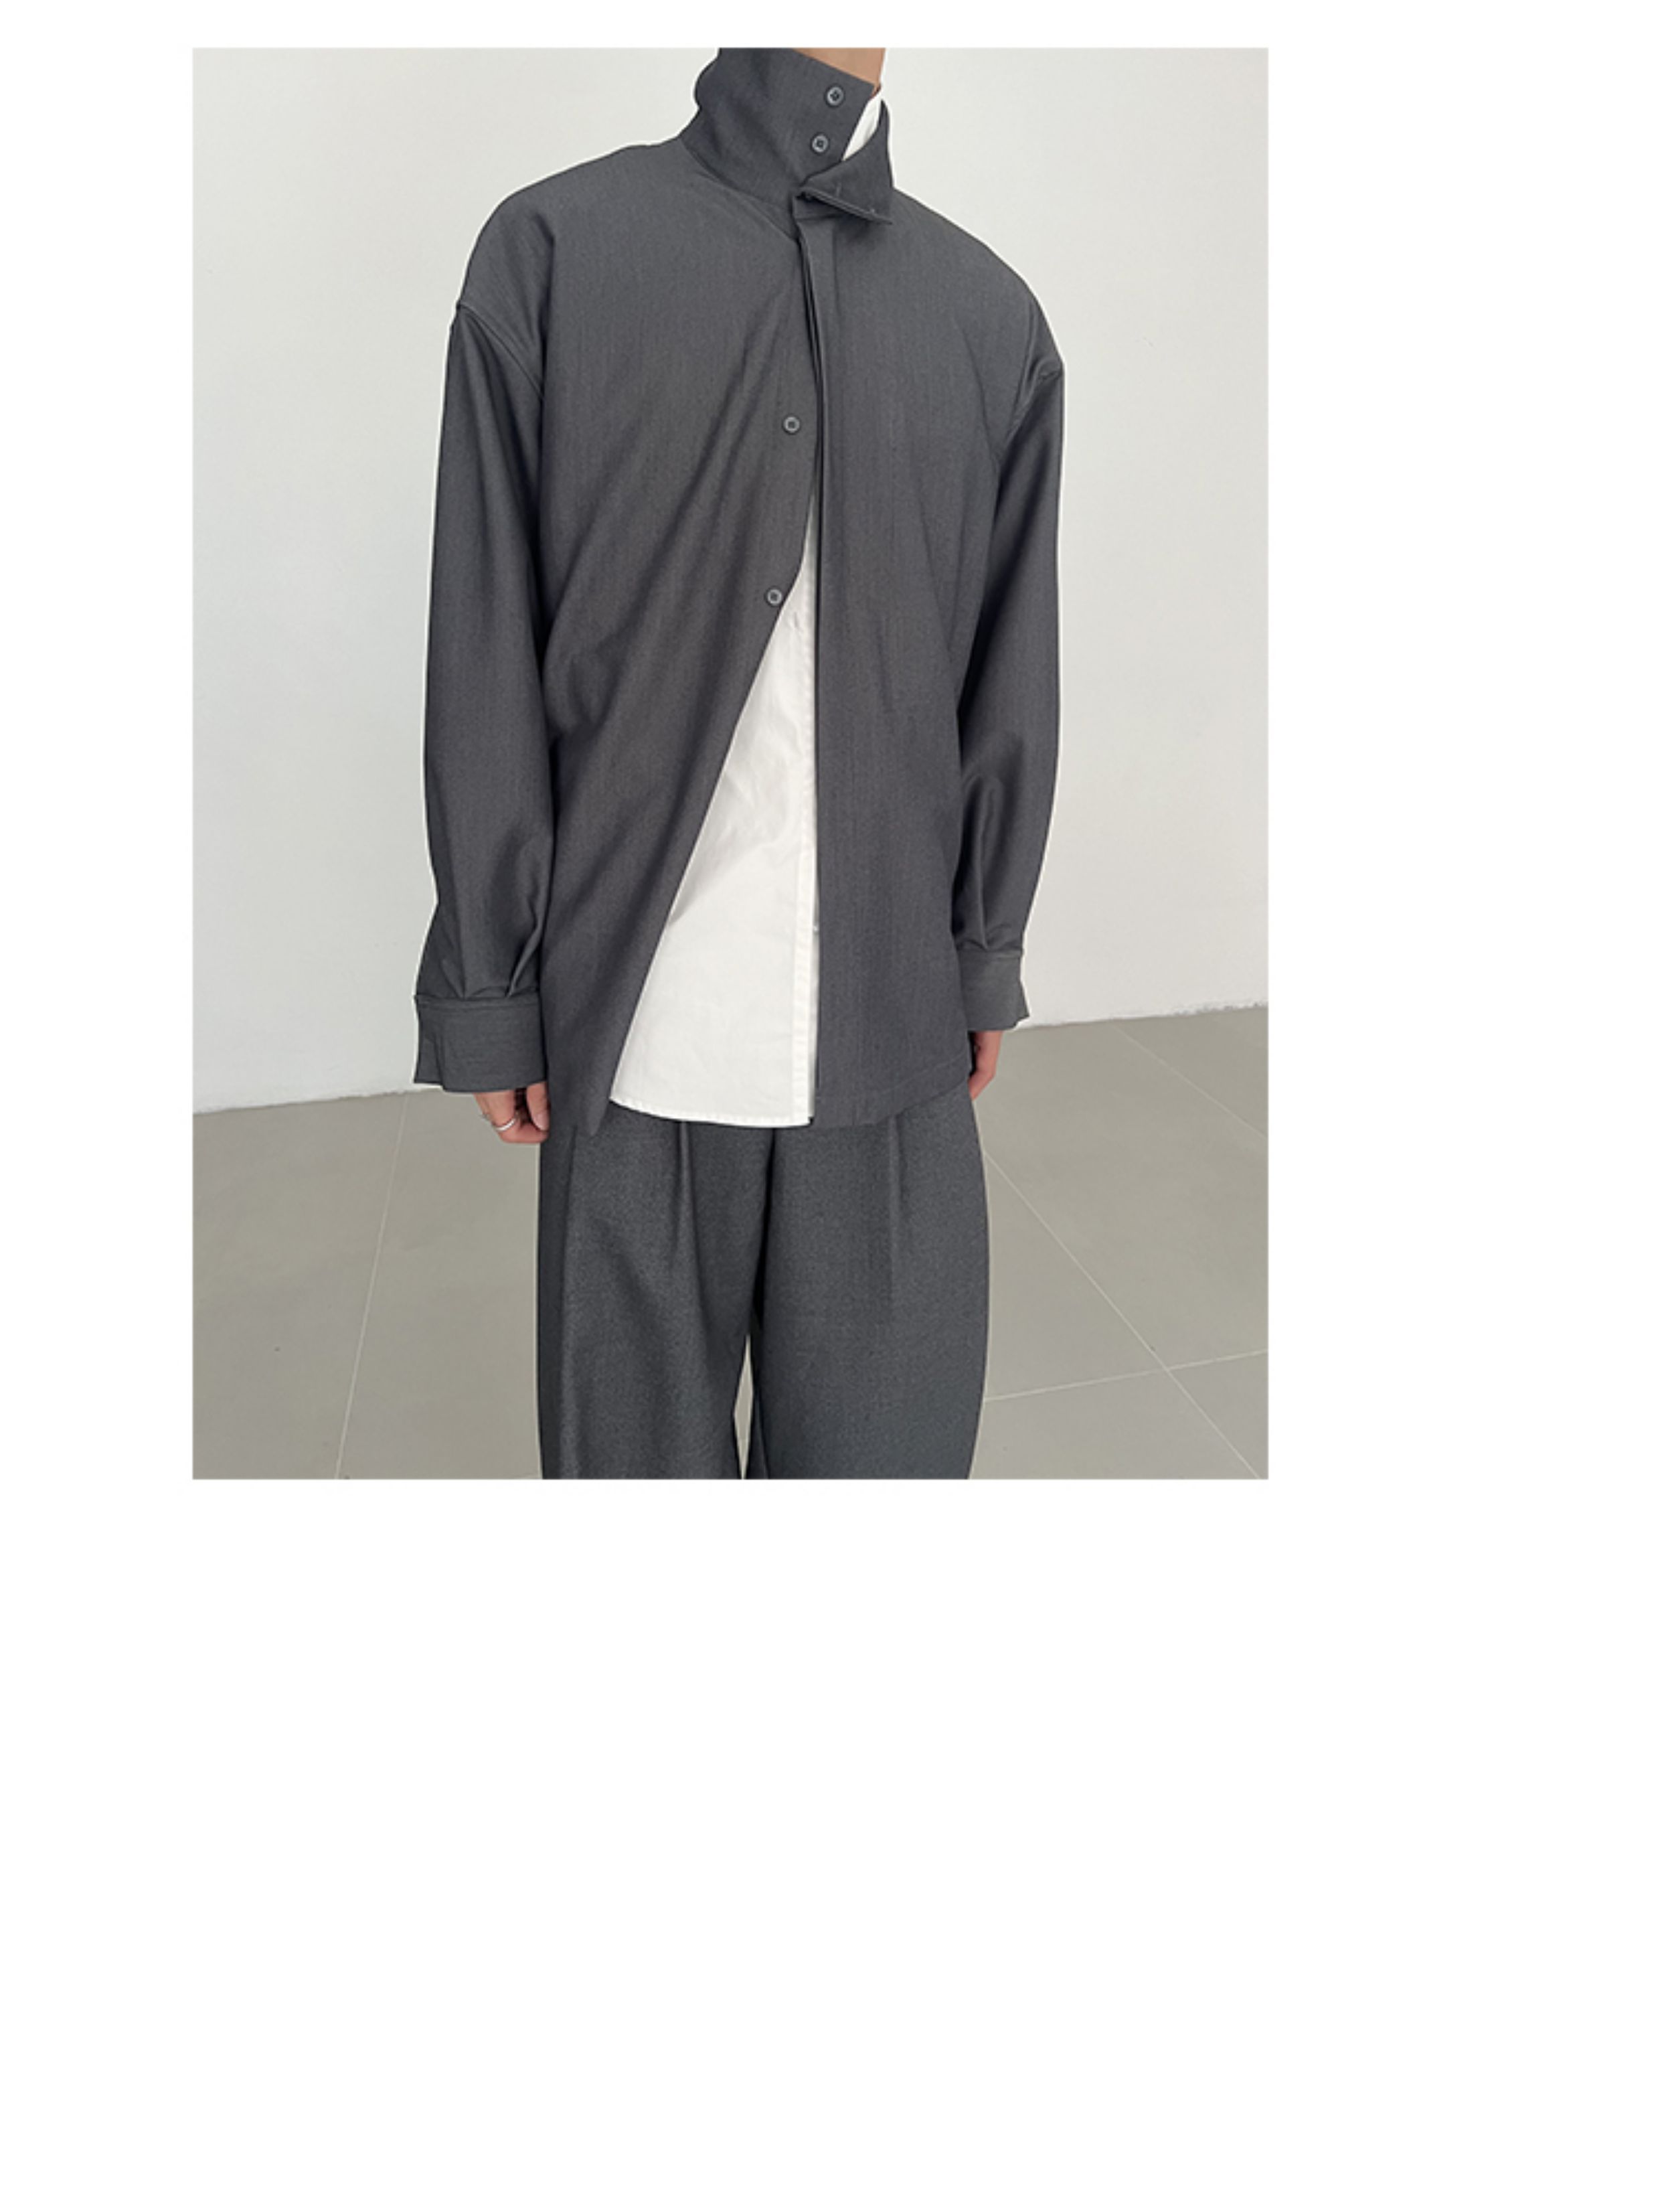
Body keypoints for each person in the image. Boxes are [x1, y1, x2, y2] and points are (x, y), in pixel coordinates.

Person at [412, 46, 1065, 1478]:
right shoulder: (552, 252)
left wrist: (979, 947)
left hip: (889, 1033)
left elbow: (1007, 676)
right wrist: (492, 980)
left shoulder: (990, 316)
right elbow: (484, 645)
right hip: (633, 1039)